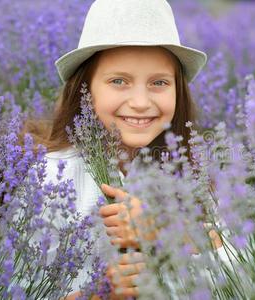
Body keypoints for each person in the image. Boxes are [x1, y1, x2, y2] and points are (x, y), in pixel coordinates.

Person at [23, 0, 221, 299]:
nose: (141, 102)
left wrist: (161, 231)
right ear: (85, 88)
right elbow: (11, 286)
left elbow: (233, 266)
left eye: (159, 82)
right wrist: (99, 293)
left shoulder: (190, 171)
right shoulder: (49, 178)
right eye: (119, 81)